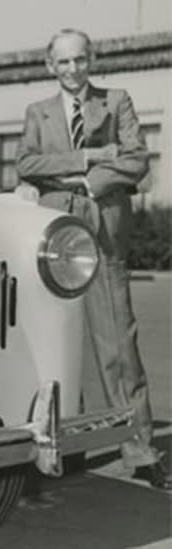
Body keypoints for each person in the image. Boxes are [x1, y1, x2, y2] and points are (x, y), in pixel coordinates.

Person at [16, 28, 170, 490]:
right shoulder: (36, 113)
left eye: (80, 60)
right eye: (62, 62)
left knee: (118, 346)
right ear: (49, 65)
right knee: (54, 342)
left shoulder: (116, 101)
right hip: (53, 237)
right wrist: (90, 155)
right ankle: (68, 445)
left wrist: (85, 179)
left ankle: (140, 447)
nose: (72, 69)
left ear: (92, 59)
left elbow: (136, 159)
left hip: (103, 231)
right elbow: (26, 164)